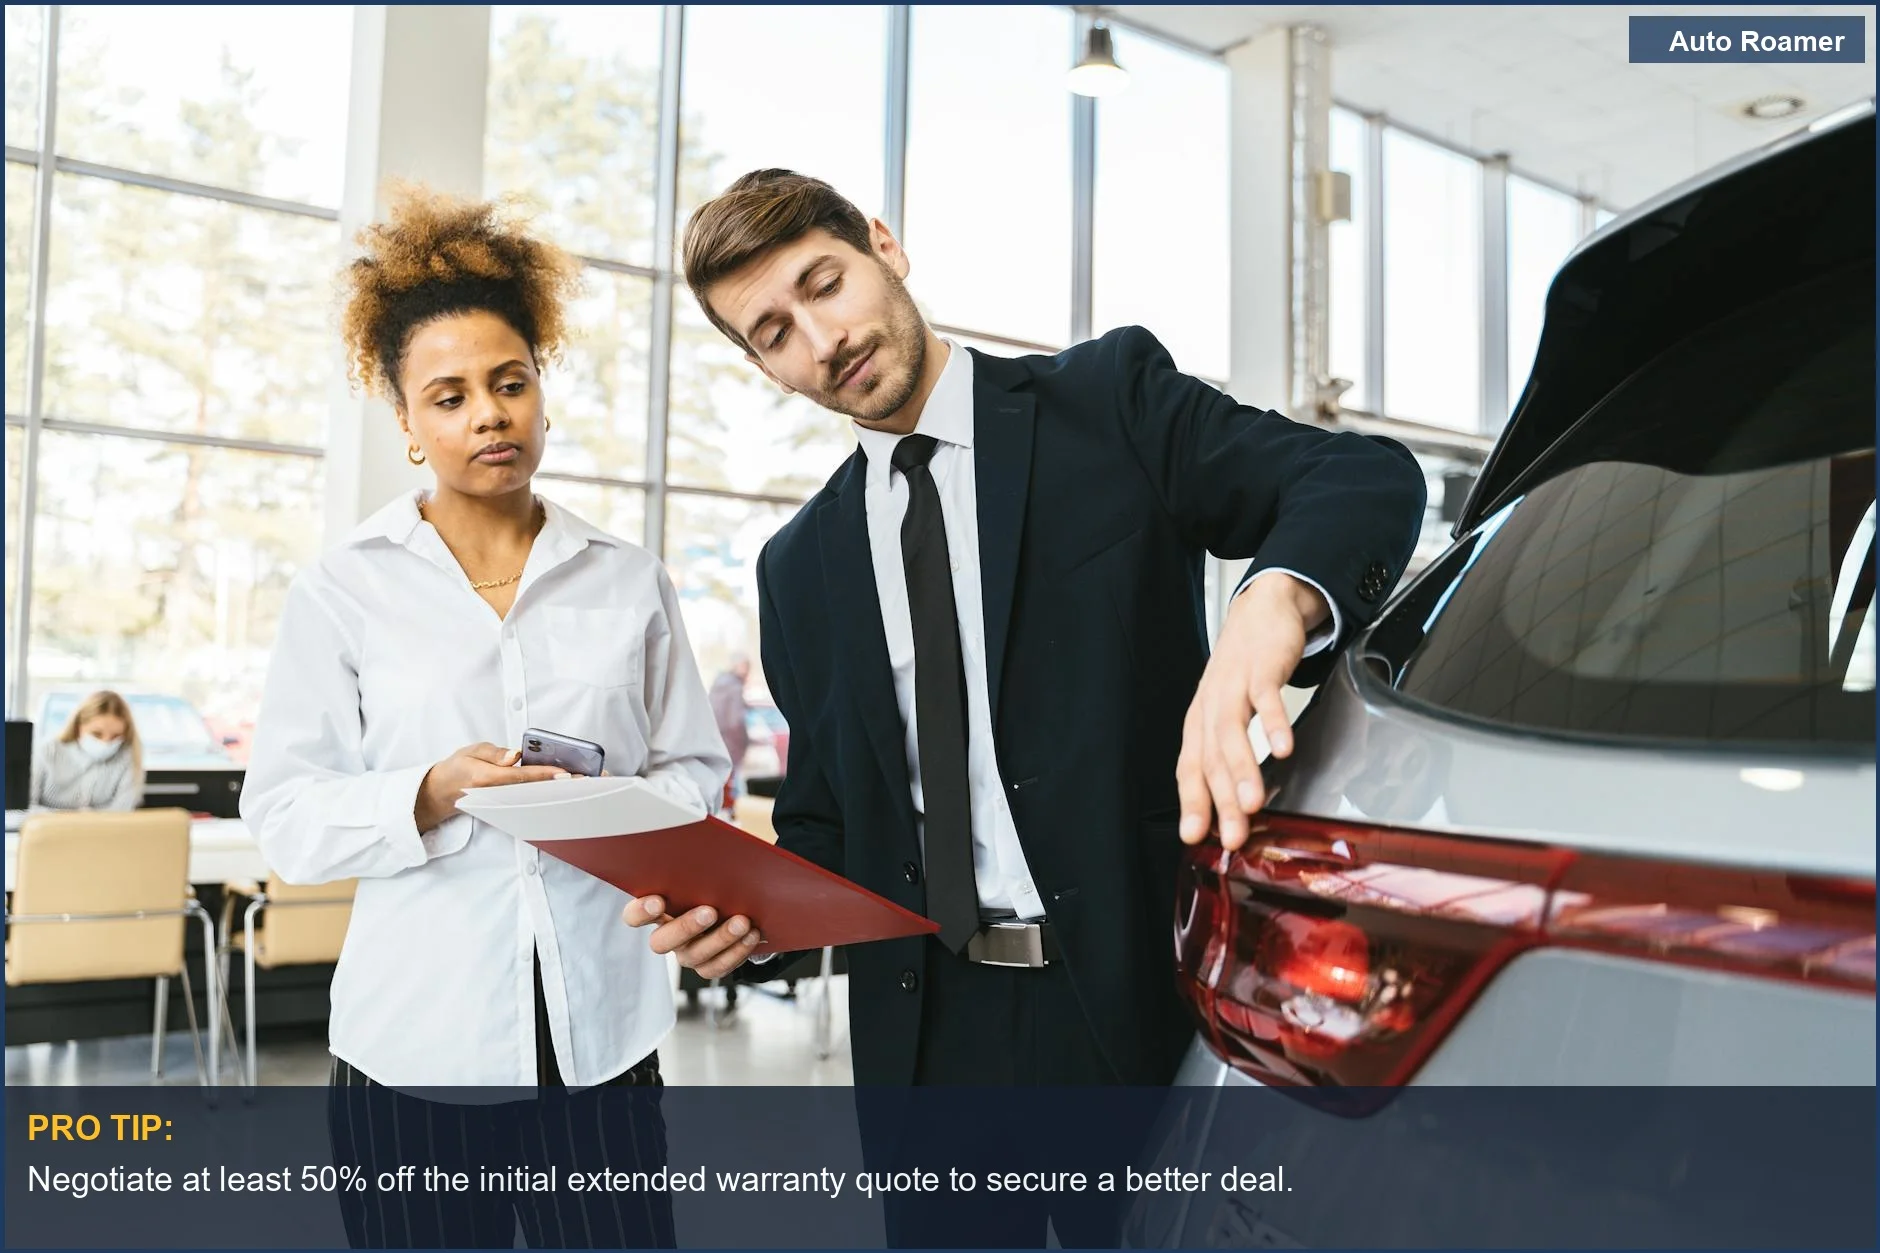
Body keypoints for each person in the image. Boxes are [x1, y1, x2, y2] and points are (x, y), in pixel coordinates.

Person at [628, 169, 1425, 1241]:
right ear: (760, 365)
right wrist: (748, 918)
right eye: (772, 331)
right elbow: (831, 822)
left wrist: (1266, 607)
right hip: (926, 1043)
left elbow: (1361, 476)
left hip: (1132, 1004)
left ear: (883, 245)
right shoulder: (799, 564)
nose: (819, 339)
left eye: (823, 283)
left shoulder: (1107, 403)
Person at [241, 186, 728, 1249]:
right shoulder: (343, 590)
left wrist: (618, 810)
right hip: (413, 1043)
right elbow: (282, 809)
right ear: (408, 422)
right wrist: (428, 789)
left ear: (541, 394)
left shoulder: (629, 581)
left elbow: (697, 771)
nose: (488, 415)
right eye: (450, 396)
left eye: (509, 384)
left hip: (598, 1041)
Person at [32, 690, 143, 811]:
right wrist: (67, 820)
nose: (106, 743)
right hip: (47, 829)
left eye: (116, 736)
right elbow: (20, 810)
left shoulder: (127, 758)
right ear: (78, 726)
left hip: (103, 830)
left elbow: (122, 813)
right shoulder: (46, 752)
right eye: (97, 734)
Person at [709, 653, 752, 801]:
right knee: (735, 793)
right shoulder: (734, 687)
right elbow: (736, 721)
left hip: (715, 743)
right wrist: (746, 742)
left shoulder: (718, 684)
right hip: (731, 746)